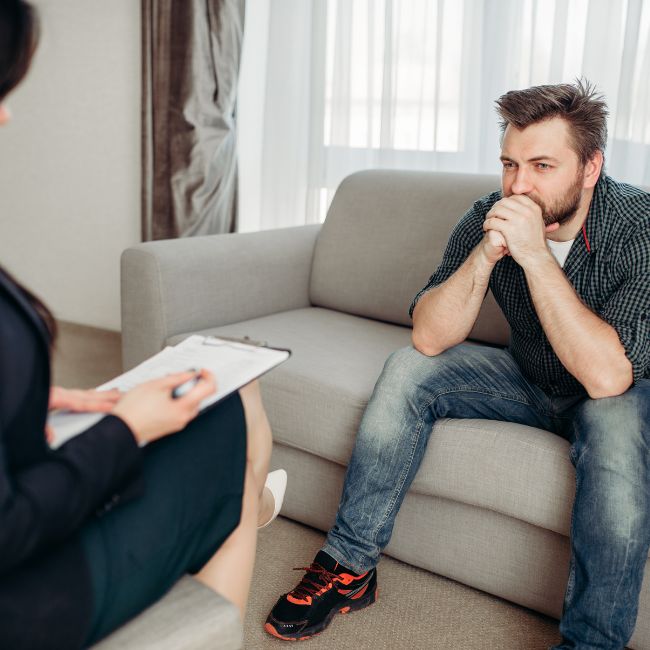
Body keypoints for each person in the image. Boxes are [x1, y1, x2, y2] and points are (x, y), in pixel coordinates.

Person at [265, 79, 650, 649]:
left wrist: (535, 257)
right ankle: (350, 566)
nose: (519, 185)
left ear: (590, 167)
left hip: (611, 390)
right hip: (526, 375)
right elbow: (429, 336)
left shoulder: (639, 225)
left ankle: (592, 642)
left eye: (542, 165)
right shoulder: (487, 215)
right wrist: (485, 255)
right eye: (510, 164)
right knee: (407, 369)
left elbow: (608, 376)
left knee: (619, 449)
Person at [0, 2, 286, 648]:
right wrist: (127, 428)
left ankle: (249, 499)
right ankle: (249, 505)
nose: (6, 113)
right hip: (30, 598)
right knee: (226, 418)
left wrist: (26, 406)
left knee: (221, 397)